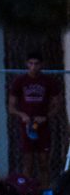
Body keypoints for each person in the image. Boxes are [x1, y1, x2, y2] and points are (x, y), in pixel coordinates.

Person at [8, 52, 62, 185]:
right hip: (27, 127)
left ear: (41, 65)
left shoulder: (48, 82)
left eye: (36, 64)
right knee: (28, 163)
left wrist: (46, 117)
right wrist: (22, 115)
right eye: (31, 63)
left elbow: (58, 104)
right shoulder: (20, 81)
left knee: (43, 162)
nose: (33, 67)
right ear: (27, 64)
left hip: (42, 126)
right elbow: (11, 107)